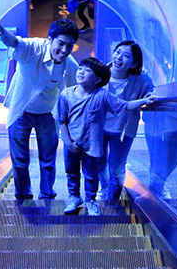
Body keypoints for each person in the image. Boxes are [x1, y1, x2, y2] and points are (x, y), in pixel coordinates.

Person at [0, 17, 80, 201]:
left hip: (48, 113)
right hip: (21, 110)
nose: (64, 50)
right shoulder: (34, 48)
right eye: (61, 43)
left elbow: (79, 88)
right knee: (19, 159)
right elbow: (15, 42)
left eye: (69, 45)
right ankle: (23, 195)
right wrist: (3, 34)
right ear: (50, 39)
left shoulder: (69, 63)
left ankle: (47, 194)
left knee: (48, 159)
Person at [58, 57, 158, 215]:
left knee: (91, 175)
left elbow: (124, 105)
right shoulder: (66, 95)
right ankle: (74, 197)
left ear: (98, 79)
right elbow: (62, 121)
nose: (81, 72)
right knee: (71, 171)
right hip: (71, 143)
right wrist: (68, 142)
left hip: (92, 145)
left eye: (87, 70)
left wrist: (144, 101)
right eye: (80, 68)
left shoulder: (102, 95)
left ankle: (90, 200)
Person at [99, 40, 154, 200]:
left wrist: (149, 96)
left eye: (126, 56)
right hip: (99, 127)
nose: (119, 57)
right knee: (99, 165)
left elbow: (150, 93)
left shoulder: (141, 79)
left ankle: (113, 199)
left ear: (134, 63)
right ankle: (103, 190)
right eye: (117, 52)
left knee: (116, 168)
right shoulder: (100, 73)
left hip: (124, 129)